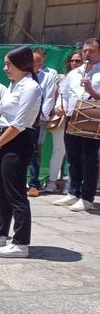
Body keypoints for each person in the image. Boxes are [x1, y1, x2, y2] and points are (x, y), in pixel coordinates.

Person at [0, 46, 41, 258]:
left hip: (18, 141)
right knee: (1, 191)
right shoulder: (13, 85)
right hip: (3, 137)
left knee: (16, 193)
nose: (5, 68)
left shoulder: (30, 87)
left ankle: (21, 242)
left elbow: (19, 123)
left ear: (22, 64)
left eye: (9, 64)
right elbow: (3, 117)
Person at [53, 38, 100, 211]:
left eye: (91, 51)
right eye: (85, 50)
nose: (87, 54)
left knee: (89, 159)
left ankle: (87, 197)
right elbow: (64, 94)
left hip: (92, 118)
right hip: (72, 117)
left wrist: (91, 91)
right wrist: (60, 106)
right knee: (73, 157)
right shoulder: (74, 73)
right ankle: (73, 192)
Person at [44, 50, 83, 193]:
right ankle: (52, 182)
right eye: (72, 61)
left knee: (75, 153)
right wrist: (58, 108)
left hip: (80, 119)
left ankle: (70, 185)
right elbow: (57, 97)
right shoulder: (62, 78)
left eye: (77, 61)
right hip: (61, 118)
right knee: (58, 151)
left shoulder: (89, 78)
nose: (74, 63)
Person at [26, 48, 58, 197]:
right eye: (33, 61)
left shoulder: (48, 76)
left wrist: (41, 118)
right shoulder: (23, 74)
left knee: (34, 150)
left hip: (36, 119)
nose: (35, 64)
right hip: (20, 117)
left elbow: (49, 97)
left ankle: (33, 184)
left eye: (38, 61)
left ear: (42, 62)